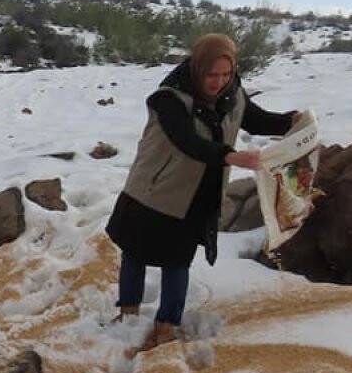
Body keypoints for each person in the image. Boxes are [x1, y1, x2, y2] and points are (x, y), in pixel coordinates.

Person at [106, 34, 300, 353]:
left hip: (195, 195)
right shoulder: (169, 99)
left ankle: (166, 326)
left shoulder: (232, 94)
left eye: (226, 74)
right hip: (152, 190)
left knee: (177, 261)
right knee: (135, 253)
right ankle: (127, 315)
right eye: (212, 74)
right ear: (198, 68)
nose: (219, 82)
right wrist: (230, 156)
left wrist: (291, 122)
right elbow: (187, 141)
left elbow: (256, 120)